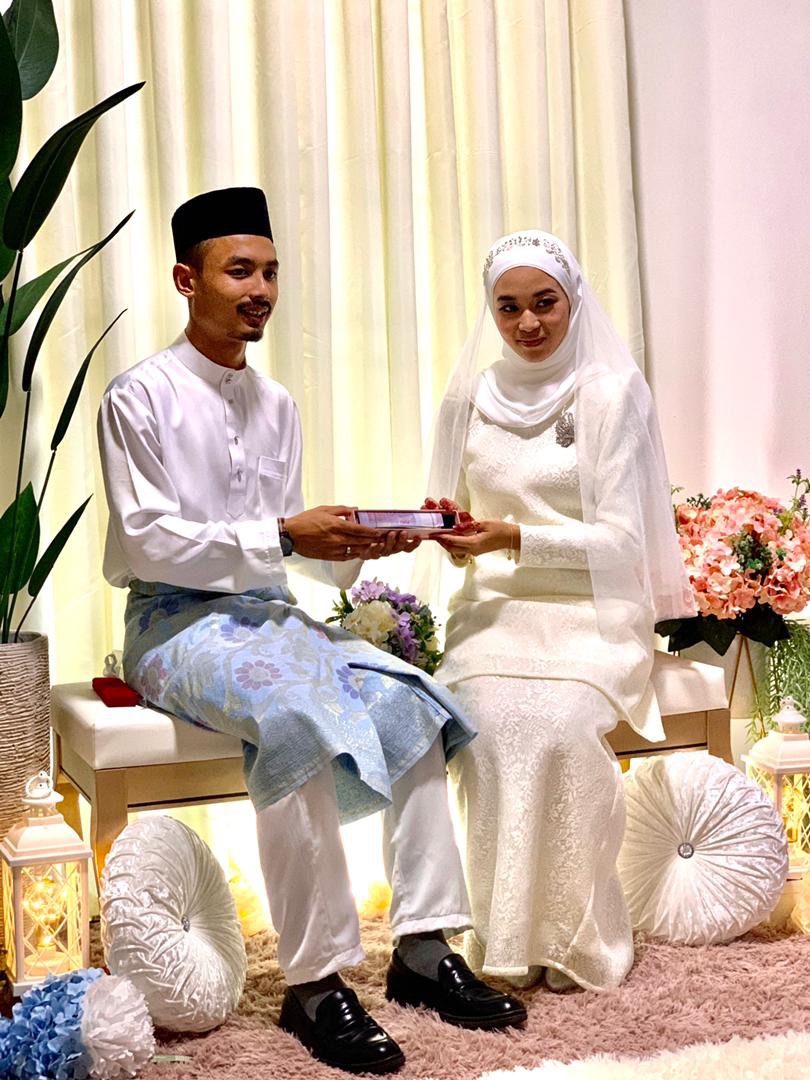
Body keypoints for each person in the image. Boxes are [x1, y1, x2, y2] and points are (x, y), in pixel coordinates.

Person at [97, 188, 525, 1075]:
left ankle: (423, 948)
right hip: (173, 625)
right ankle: (316, 982)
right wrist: (288, 537)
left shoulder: (278, 404)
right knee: (293, 711)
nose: (261, 290)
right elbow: (146, 542)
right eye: (239, 271)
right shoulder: (137, 397)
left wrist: (365, 541)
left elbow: (289, 551)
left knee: (410, 697)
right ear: (186, 280)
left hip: (267, 617)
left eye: (270, 272)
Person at [419, 229, 695, 993]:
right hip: (493, 615)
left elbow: (623, 544)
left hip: (592, 617)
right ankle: (501, 933)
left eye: (544, 303)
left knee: (558, 728)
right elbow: (457, 520)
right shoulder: (468, 399)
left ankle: (573, 937)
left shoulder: (610, 394)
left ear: (574, 300)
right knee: (485, 727)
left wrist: (513, 537)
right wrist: (452, 535)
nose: (528, 323)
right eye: (508, 308)